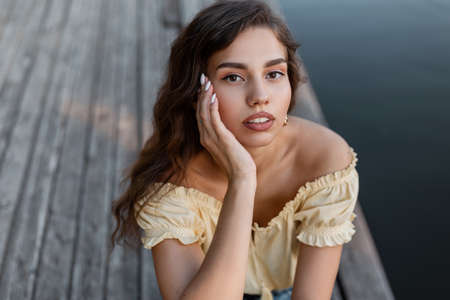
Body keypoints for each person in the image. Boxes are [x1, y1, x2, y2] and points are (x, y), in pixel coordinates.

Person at [111, 1, 360, 299]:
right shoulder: (171, 183)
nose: (259, 97)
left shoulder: (325, 161)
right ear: (196, 92)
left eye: (274, 74)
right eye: (233, 77)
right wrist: (242, 179)